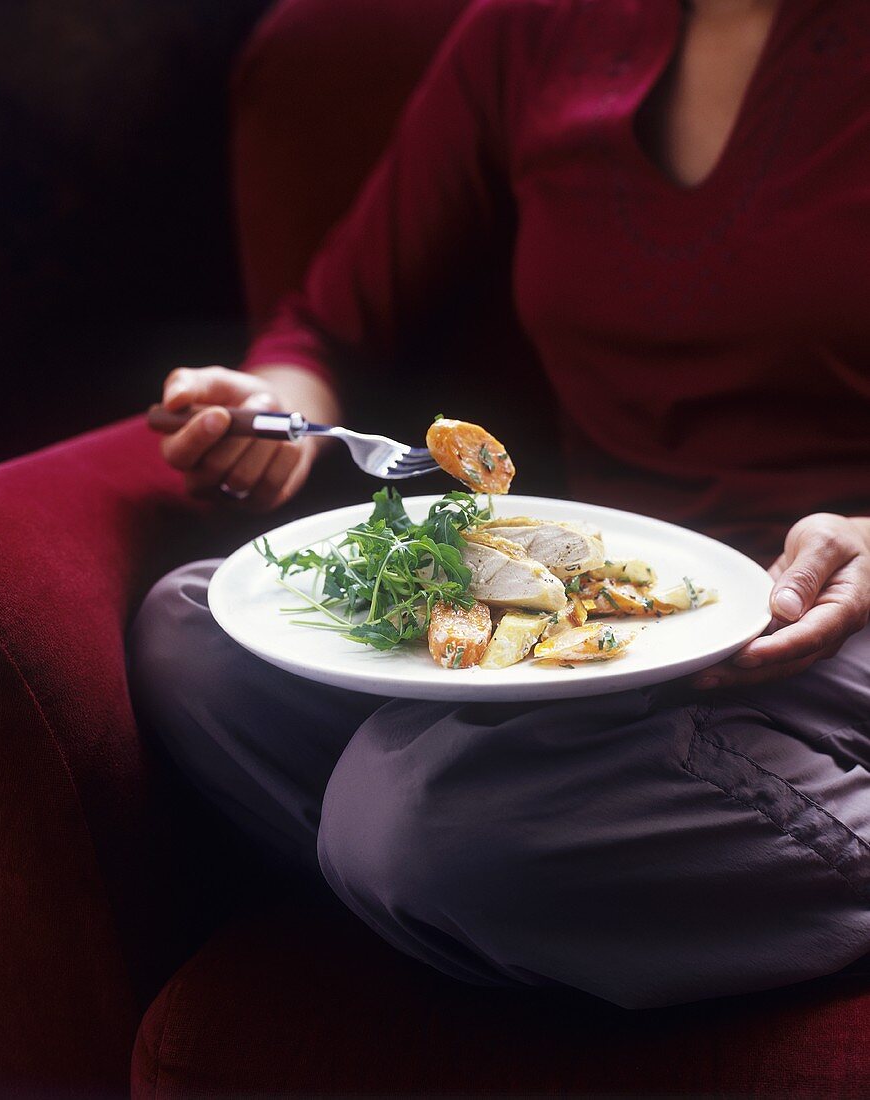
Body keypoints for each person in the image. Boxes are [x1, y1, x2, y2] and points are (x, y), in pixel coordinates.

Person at [127, 0, 870, 1009]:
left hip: (832, 602)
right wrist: (278, 407)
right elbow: (325, 326)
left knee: (409, 817)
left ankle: (480, 866)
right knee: (193, 631)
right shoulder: (528, 29)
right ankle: (562, 884)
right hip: (603, 605)